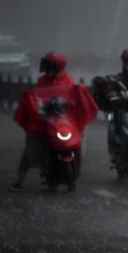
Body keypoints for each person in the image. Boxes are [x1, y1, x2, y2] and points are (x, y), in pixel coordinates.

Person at [10, 52, 98, 191]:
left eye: (49, 65)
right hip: (46, 121)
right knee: (30, 148)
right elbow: (36, 97)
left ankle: (76, 167)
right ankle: (19, 180)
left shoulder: (67, 82)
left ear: (56, 67)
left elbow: (74, 98)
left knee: (80, 141)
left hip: (64, 122)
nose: (45, 68)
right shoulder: (42, 81)